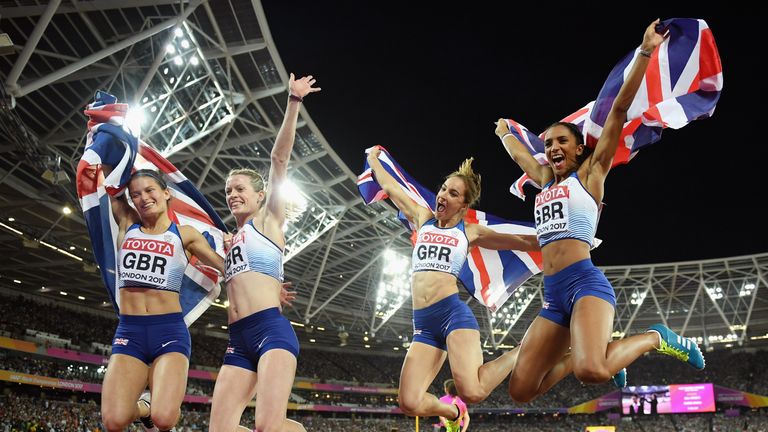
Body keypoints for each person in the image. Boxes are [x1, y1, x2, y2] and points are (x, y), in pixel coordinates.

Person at [494, 19, 705, 404]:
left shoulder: (591, 175)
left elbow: (620, 108)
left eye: (561, 141)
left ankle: (656, 337)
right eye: (548, 143)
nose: (553, 147)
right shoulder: (544, 180)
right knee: (522, 391)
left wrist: (644, 51)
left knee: (593, 371)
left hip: (585, 284)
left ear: (578, 149)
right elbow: (520, 154)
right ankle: (592, 350)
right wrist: (504, 131)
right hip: (553, 294)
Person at [366, 146, 539, 431]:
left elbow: (523, 242)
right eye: (444, 189)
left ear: (464, 205)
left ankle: (524, 349)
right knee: (408, 402)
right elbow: (389, 186)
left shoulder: (470, 233)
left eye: (453, 194)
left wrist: (567, 233)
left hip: (452, 315)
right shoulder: (422, 218)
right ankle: (452, 411)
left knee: (473, 391)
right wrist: (373, 159)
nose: (444, 196)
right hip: (422, 324)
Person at [208, 73, 320, 432]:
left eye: (239, 188)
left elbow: (278, 160)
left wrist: (293, 101)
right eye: (227, 190)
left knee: (267, 428)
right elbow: (242, 277)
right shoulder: (231, 240)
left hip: (271, 332)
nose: (231, 194)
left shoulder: (269, 220)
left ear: (260, 196)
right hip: (237, 339)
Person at [100, 169, 226, 432]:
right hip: (130, 331)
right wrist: (103, 136)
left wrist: (268, 282)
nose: (143, 198)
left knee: (165, 419)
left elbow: (226, 267)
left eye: (149, 190)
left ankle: (150, 408)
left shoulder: (185, 234)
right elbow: (111, 177)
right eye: (135, 194)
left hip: (168, 331)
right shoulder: (127, 222)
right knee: (113, 422)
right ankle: (143, 408)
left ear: (166, 193)